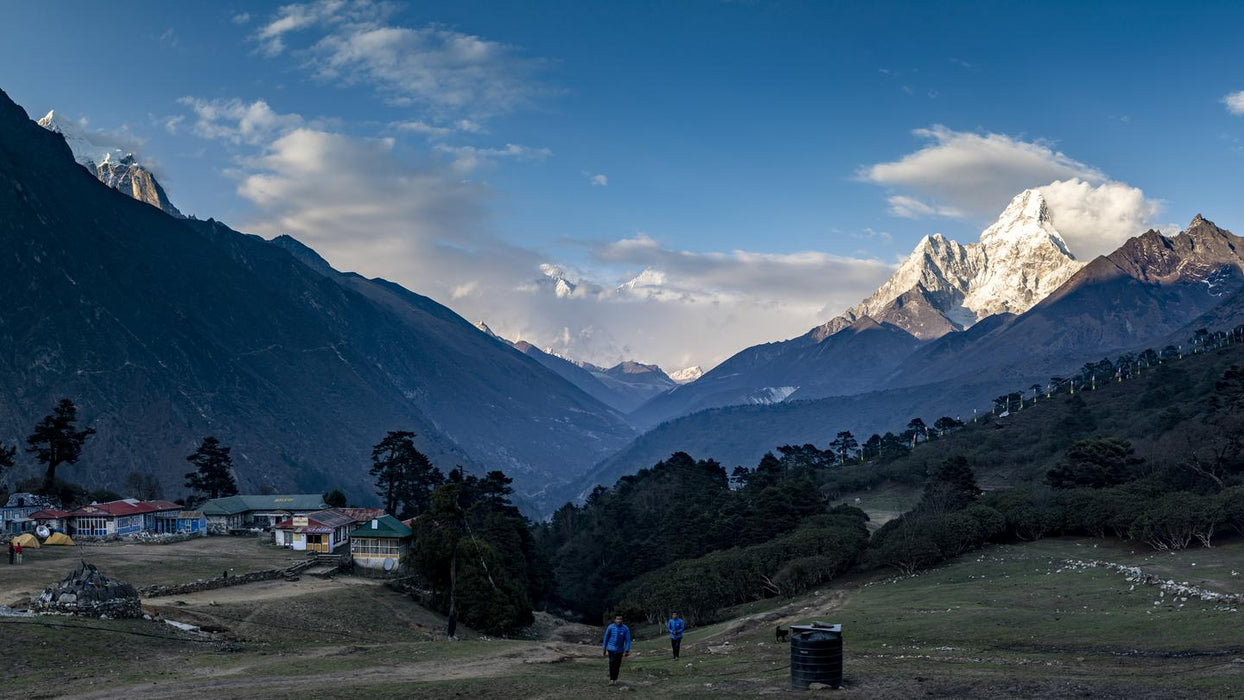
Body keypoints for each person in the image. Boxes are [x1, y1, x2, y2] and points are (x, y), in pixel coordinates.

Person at [601, 614, 631, 685]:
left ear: (622, 620)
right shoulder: (610, 627)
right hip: (611, 649)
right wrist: (604, 648)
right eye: (617, 619)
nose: (619, 620)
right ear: (615, 620)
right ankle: (611, 679)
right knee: (612, 664)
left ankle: (615, 679)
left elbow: (627, 640)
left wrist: (627, 650)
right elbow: (606, 638)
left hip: (620, 650)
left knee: (617, 665)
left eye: (620, 619)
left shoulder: (625, 629)